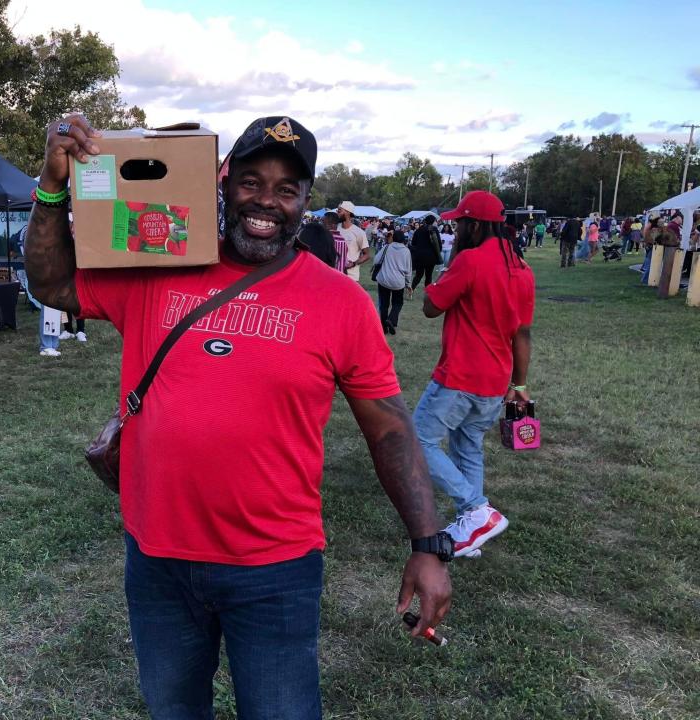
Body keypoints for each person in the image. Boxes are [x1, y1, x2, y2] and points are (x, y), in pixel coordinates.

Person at [24, 113, 452, 719]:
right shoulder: (157, 265)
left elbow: (389, 429)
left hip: (275, 569)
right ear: (222, 183)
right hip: (159, 560)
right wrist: (51, 183)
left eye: (286, 189)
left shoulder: (341, 304)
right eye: (252, 182)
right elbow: (53, 283)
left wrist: (428, 544)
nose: (266, 202)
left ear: (306, 200)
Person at [414, 190, 534, 559]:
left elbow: (431, 307)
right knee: (468, 449)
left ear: (476, 225)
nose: (456, 227)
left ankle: (477, 509)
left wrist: (448, 268)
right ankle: (473, 532)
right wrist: (520, 385)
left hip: (460, 376)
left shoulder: (470, 261)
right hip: (496, 381)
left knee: (417, 441)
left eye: (460, 222)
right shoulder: (523, 270)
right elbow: (523, 334)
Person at [373, 229, 412, 336]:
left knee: (384, 304)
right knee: (398, 303)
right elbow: (408, 270)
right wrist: (408, 284)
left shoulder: (387, 247)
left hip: (384, 279)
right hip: (398, 282)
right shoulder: (406, 251)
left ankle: (383, 327)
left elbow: (376, 260)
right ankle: (391, 319)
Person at [337, 201, 370, 281]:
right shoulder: (336, 228)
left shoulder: (359, 232)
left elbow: (367, 255)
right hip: (335, 274)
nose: (337, 213)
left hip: (351, 277)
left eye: (339, 210)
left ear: (348, 212)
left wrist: (354, 263)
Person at [410, 215, 442, 291]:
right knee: (429, 275)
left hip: (419, 256)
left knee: (418, 275)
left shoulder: (419, 230)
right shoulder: (434, 229)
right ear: (433, 221)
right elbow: (438, 243)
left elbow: (413, 243)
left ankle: (411, 290)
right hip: (431, 256)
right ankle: (427, 292)